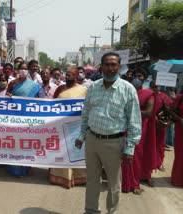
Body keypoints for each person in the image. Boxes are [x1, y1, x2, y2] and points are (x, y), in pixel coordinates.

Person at [75, 52, 141, 214]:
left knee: (113, 183)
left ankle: (112, 211)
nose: (110, 68)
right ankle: (91, 210)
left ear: (119, 67)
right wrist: (81, 135)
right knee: (92, 180)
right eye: (107, 64)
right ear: (101, 67)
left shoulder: (128, 89)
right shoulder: (93, 88)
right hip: (92, 140)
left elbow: (134, 121)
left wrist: (129, 148)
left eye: (114, 65)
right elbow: (86, 114)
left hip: (114, 143)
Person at [49, 68, 87, 188]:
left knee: (76, 151)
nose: (67, 77)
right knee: (62, 151)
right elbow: (52, 105)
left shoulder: (84, 90)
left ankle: (78, 177)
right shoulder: (60, 89)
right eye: (67, 75)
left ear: (76, 77)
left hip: (77, 127)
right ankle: (60, 177)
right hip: (61, 127)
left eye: (71, 75)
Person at [121, 68, 156, 195]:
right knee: (124, 153)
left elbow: (148, 112)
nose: (136, 78)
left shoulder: (148, 94)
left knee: (136, 154)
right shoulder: (127, 91)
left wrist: (131, 111)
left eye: (140, 76)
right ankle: (124, 182)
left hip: (141, 127)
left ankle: (135, 182)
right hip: (125, 125)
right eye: (135, 75)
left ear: (145, 79)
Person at [6, 62, 41, 176]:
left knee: (25, 143)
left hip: (27, 119)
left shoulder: (33, 85)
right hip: (14, 118)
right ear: (17, 70)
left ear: (29, 71)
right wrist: (8, 96)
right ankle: (13, 169)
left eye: (26, 69)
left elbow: (36, 101)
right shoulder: (12, 83)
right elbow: (6, 97)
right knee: (14, 143)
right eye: (21, 68)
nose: (23, 71)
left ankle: (25, 168)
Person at [150, 81, 173, 172]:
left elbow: (171, 108)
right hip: (150, 123)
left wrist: (166, 104)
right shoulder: (149, 95)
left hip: (160, 124)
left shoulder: (164, 96)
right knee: (150, 144)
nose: (156, 87)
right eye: (154, 86)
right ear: (150, 87)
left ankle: (159, 163)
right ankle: (150, 163)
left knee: (160, 144)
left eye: (157, 86)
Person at [166, 92, 183, 186]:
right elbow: (170, 111)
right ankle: (178, 180)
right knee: (181, 155)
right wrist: (179, 119)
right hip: (181, 130)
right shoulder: (180, 98)